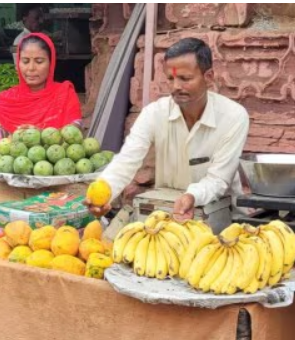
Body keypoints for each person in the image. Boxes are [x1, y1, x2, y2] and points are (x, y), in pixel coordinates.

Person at [87, 38, 250, 222]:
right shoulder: (154, 113)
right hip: (167, 216)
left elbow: (219, 180)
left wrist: (191, 196)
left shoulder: (234, 116)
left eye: (185, 78)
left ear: (209, 77)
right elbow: (126, 161)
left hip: (224, 219)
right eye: (170, 78)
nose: (176, 87)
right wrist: (105, 190)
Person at [0, 33, 82, 151]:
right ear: (18, 63)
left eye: (39, 61)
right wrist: (15, 141)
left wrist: (40, 136)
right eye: (25, 61)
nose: (31, 68)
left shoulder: (64, 94)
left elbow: (74, 136)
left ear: (51, 63)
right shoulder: (6, 101)